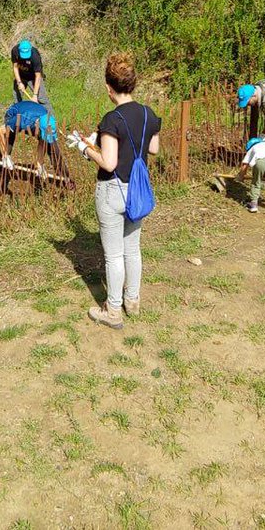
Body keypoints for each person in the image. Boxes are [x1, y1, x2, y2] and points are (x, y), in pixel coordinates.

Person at [68, 52, 160, 330]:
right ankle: (133, 301)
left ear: (109, 88)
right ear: (132, 84)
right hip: (137, 191)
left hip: (112, 191)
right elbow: (153, 148)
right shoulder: (149, 114)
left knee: (113, 255)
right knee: (133, 249)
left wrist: (86, 148)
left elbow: (109, 162)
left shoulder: (112, 119)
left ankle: (113, 311)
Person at [0, 98, 60, 175]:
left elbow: (43, 142)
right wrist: (5, 155)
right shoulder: (21, 119)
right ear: (37, 126)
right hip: (15, 115)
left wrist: (40, 165)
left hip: (33, 117)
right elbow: (0, 131)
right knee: (8, 143)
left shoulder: (47, 119)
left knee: (43, 139)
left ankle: (39, 165)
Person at [11, 39, 50, 106]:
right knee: (17, 99)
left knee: (42, 99)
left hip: (33, 78)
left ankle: (48, 116)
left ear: (30, 49)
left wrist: (35, 95)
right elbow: (15, 67)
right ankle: (18, 115)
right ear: (19, 50)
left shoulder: (35, 56)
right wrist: (19, 82)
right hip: (21, 76)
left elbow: (38, 76)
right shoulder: (15, 51)